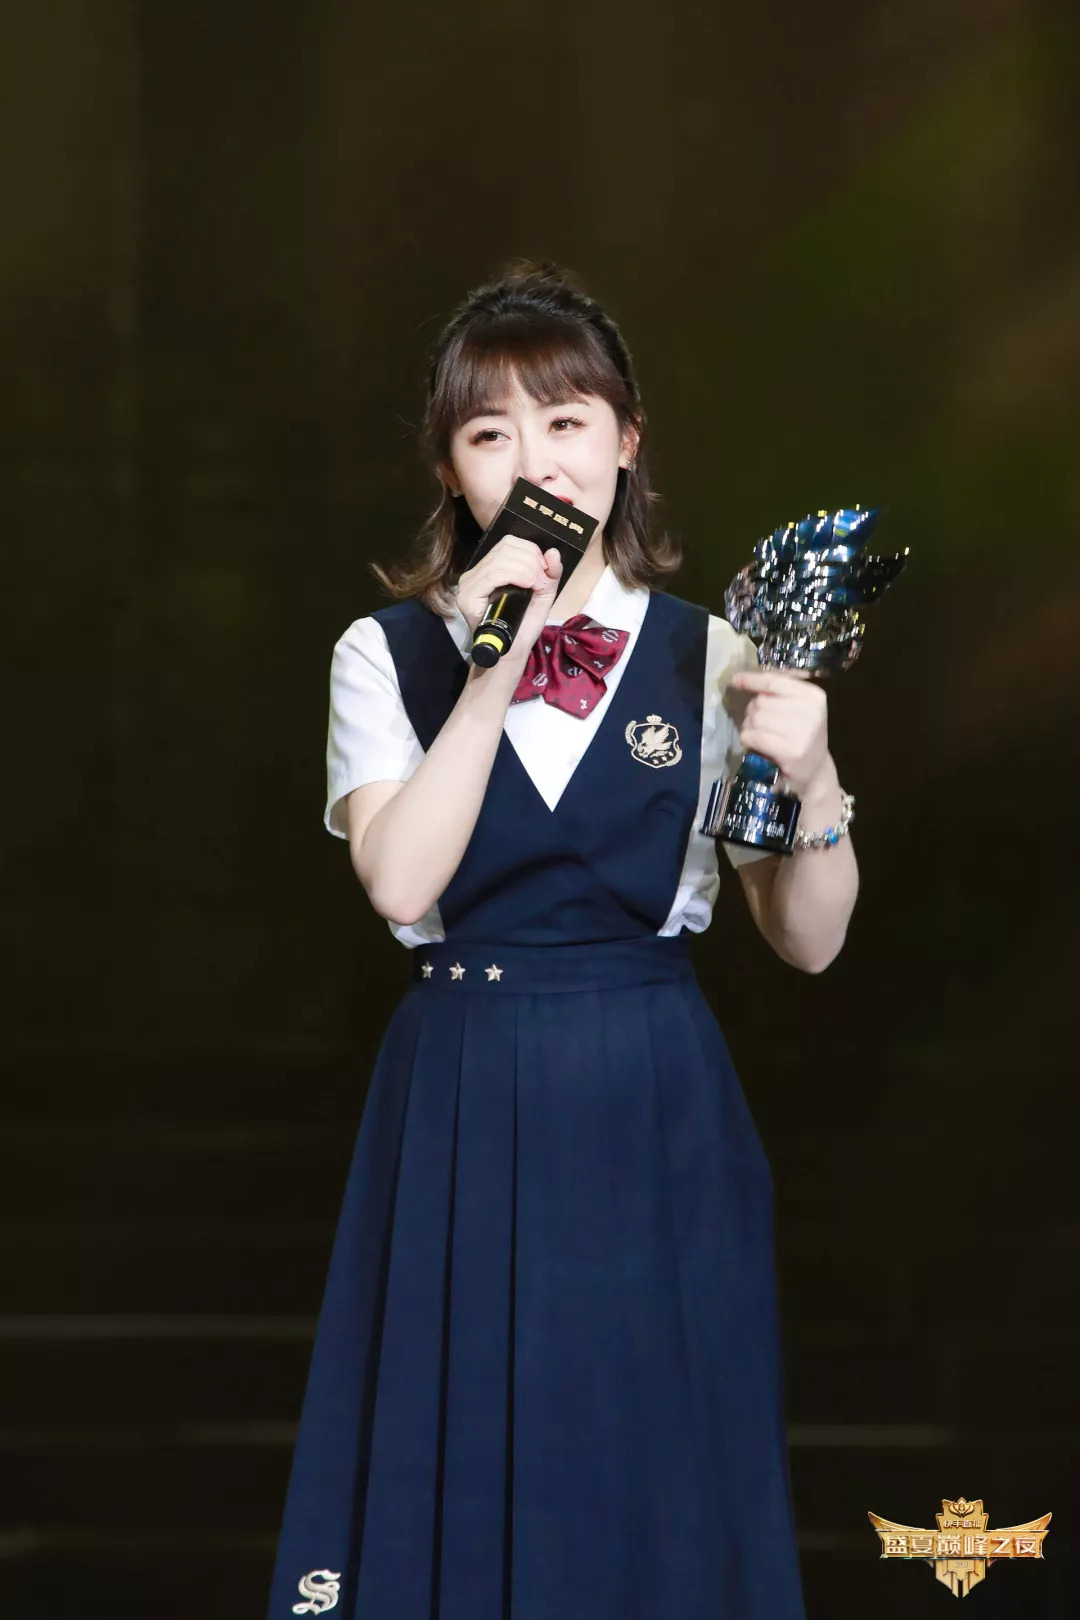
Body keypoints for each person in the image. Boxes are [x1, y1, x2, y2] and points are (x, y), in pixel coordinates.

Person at [267, 261, 858, 1620]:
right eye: (492, 431)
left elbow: (808, 939)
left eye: (569, 420)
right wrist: (494, 660)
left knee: (656, 1472)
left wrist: (818, 778)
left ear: (627, 440)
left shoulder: (714, 655)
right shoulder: (384, 653)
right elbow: (400, 878)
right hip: (464, 1089)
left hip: (653, 1088)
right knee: (462, 1462)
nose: (537, 459)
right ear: (452, 470)